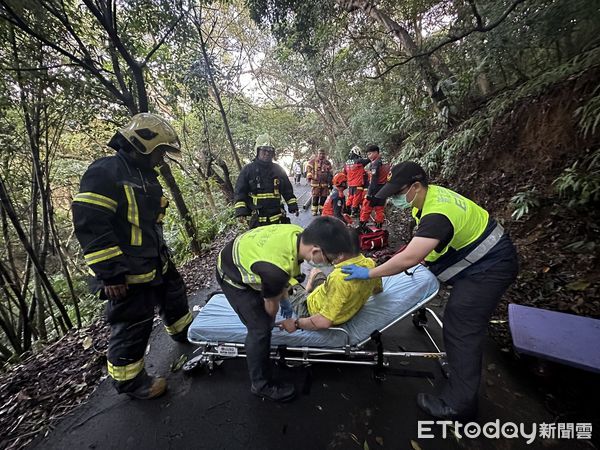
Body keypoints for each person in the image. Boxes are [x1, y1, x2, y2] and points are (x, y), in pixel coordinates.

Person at [342, 162, 519, 420]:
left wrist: (369, 273)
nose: (394, 200)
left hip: (490, 267)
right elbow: (428, 249)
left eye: (397, 193)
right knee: (456, 315)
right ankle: (460, 368)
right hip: (477, 258)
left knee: (461, 323)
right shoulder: (427, 199)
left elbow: (409, 258)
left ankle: (459, 406)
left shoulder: (437, 212)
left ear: (415, 186)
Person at [72, 113, 192, 400]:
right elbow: (91, 225)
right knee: (133, 321)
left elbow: (150, 224)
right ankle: (130, 381)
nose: (162, 158)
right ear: (143, 145)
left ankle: (182, 331)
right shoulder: (106, 172)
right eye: (160, 151)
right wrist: (110, 272)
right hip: (125, 271)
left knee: (174, 296)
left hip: (154, 260)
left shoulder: (145, 176)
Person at [215, 218, 351, 402]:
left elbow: (286, 271)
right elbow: (271, 305)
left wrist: (284, 294)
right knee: (260, 329)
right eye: (329, 259)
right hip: (231, 274)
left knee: (275, 291)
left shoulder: (296, 234)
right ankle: (260, 385)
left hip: (250, 255)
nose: (330, 264)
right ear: (316, 251)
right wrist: (269, 321)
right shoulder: (274, 270)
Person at [277, 222, 382, 333]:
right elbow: (378, 289)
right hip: (328, 296)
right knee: (316, 271)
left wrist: (296, 323)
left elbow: (323, 321)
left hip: (310, 310)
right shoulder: (370, 265)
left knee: (286, 281)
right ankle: (307, 291)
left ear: (340, 254)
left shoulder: (338, 279)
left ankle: (304, 296)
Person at [234, 134, 298, 228]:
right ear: (258, 150)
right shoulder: (248, 170)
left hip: (278, 217)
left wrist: (293, 206)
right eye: (264, 150)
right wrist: (241, 212)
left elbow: (287, 190)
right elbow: (240, 192)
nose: (267, 153)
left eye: (270, 151)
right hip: (257, 219)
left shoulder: (278, 170)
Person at [359, 144, 389, 229]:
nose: (369, 156)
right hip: (384, 189)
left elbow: (374, 180)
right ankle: (379, 228)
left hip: (375, 189)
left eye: (370, 154)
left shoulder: (375, 163)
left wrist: (369, 193)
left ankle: (362, 227)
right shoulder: (384, 161)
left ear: (376, 152)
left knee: (366, 208)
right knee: (379, 209)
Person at [343, 147, 371, 217]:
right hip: (358, 183)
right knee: (356, 198)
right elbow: (368, 160)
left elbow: (345, 172)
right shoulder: (359, 161)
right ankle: (354, 212)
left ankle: (347, 210)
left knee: (350, 197)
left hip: (350, 184)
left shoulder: (346, 163)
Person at [306, 149, 333, 216]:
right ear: (317, 154)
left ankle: (322, 210)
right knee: (315, 197)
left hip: (325, 183)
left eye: (323, 154)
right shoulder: (313, 161)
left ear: (325, 154)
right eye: (320, 153)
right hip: (315, 183)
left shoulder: (327, 163)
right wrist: (309, 176)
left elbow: (330, 173)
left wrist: (331, 183)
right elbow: (308, 168)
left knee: (324, 197)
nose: (321, 155)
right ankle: (314, 210)